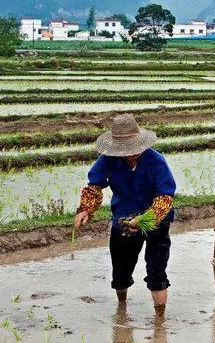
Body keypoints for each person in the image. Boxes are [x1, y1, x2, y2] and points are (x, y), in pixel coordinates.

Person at [74, 114, 176, 317]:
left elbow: (165, 196)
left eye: (134, 150)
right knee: (120, 269)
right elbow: (94, 184)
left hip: (156, 220)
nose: (130, 155)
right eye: (125, 151)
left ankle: (159, 322)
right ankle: (122, 309)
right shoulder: (108, 160)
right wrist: (86, 208)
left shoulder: (156, 161)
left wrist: (146, 220)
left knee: (156, 270)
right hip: (123, 219)